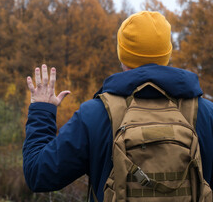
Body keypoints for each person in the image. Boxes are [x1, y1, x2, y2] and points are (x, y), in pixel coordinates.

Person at [22, 11, 213, 201]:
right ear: (167, 53)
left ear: (122, 55)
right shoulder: (206, 114)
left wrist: (42, 111)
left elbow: (39, 175)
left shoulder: (95, 115)